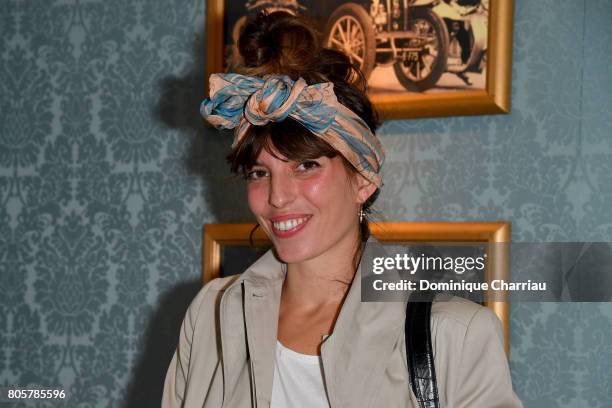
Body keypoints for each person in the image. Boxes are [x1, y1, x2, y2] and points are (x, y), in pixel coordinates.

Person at [162, 11, 522, 408]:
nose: (278, 197)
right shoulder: (212, 314)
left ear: (364, 180)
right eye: (259, 173)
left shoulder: (455, 334)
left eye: (306, 166)